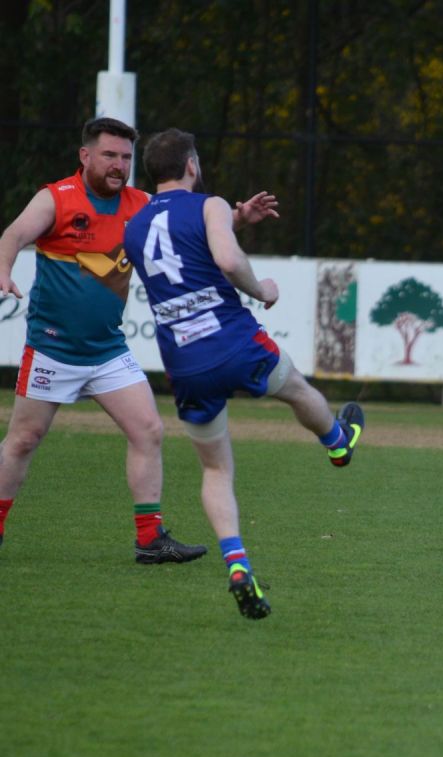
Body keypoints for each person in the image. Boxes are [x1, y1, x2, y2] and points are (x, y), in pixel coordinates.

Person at [0, 116, 275, 561]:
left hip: (108, 350)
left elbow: (190, 232)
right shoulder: (57, 198)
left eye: (126, 157)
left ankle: (150, 539)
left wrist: (238, 219)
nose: (119, 165)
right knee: (23, 440)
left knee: (148, 431)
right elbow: (12, 235)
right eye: (109, 155)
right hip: (52, 349)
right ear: (85, 156)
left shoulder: (142, 205)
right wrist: (3, 269)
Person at [124, 127, 364, 621]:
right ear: (191, 165)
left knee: (216, 469)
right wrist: (262, 290)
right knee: (298, 391)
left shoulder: (135, 224)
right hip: (233, 340)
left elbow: (177, 246)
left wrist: (234, 219)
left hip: (184, 362)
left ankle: (238, 563)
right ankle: (338, 442)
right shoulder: (208, 204)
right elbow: (228, 260)